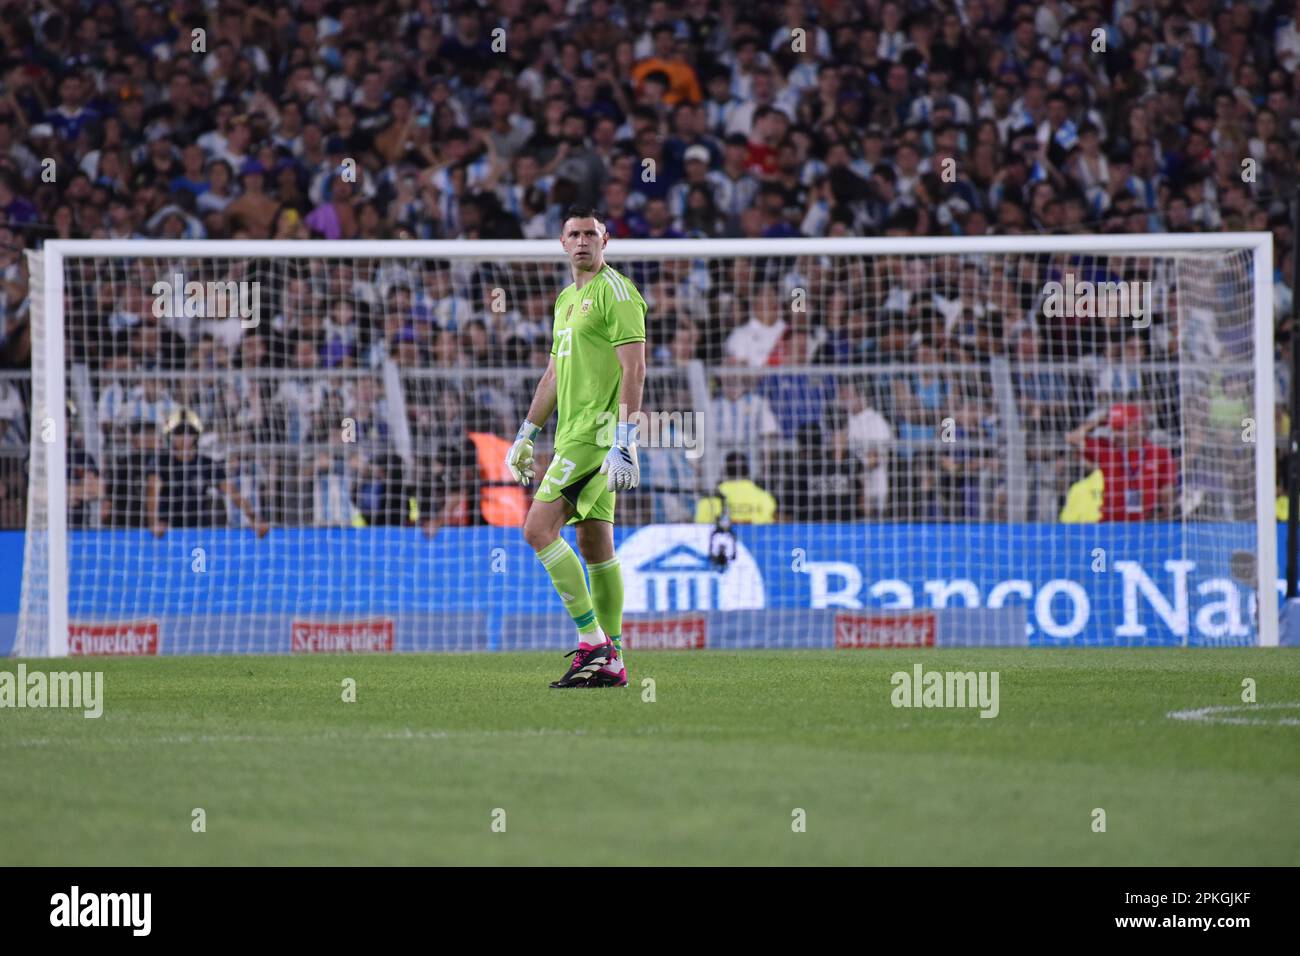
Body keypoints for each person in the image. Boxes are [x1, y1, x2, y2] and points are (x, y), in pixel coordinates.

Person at [505, 206, 646, 688]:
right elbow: (553, 374)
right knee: (594, 543)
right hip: (573, 432)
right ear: (562, 243)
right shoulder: (567, 298)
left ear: (606, 240)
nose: (583, 241)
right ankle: (615, 658)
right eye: (574, 234)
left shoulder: (617, 292)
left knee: (537, 529)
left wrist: (625, 439)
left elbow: (634, 369)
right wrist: (527, 433)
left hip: (596, 434)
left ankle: (593, 642)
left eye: (591, 233)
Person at [146, 409, 270, 536]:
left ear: (196, 436)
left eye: (190, 432)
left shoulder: (205, 463)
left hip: (198, 530)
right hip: (166, 529)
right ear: (170, 436)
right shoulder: (160, 461)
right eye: (179, 432)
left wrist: (254, 518)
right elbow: (153, 490)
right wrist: (153, 523)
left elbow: (232, 492)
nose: (184, 437)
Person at [1064, 403, 1177, 522]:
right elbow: (1071, 438)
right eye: (1113, 429)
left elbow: (1167, 492)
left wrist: (1163, 516)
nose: (1116, 434)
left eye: (1121, 429)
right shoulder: (1106, 449)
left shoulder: (1160, 454)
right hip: (1110, 526)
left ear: (1137, 427)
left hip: (1146, 526)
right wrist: (1098, 422)